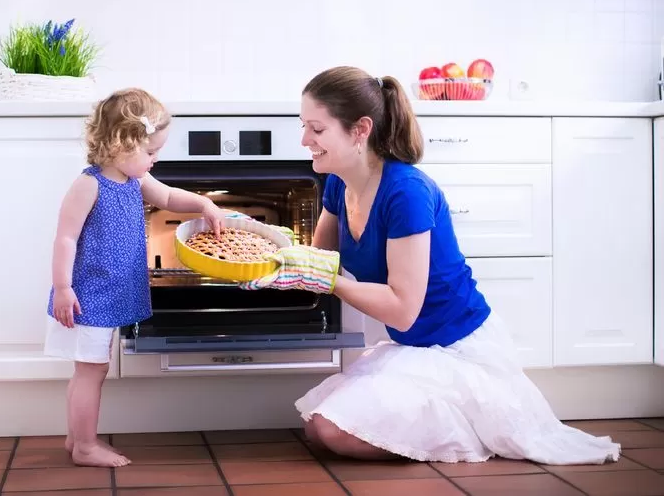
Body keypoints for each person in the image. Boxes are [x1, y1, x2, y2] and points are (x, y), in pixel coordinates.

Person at [241, 65, 621, 465]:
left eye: (316, 130)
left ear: (359, 130)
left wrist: (326, 279)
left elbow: (402, 311)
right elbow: (317, 261)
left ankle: (470, 426)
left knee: (333, 431)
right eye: (304, 126)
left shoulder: (406, 192)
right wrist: (262, 245)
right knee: (317, 426)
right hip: (413, 348)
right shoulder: (340, 182)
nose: (304, 140)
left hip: (457, 349)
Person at [43, 87, 225, 468]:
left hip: (105, 295)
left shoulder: (135, 181)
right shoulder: (89, 184)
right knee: (91, 371)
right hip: (87, 297)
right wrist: (62, 287)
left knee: (89, 370)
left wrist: (204, 203)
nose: (156, 160)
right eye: (150, 152)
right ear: (120, 144)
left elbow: (171, 198)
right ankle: (86, 446)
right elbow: (65, 237)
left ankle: (76, 439)